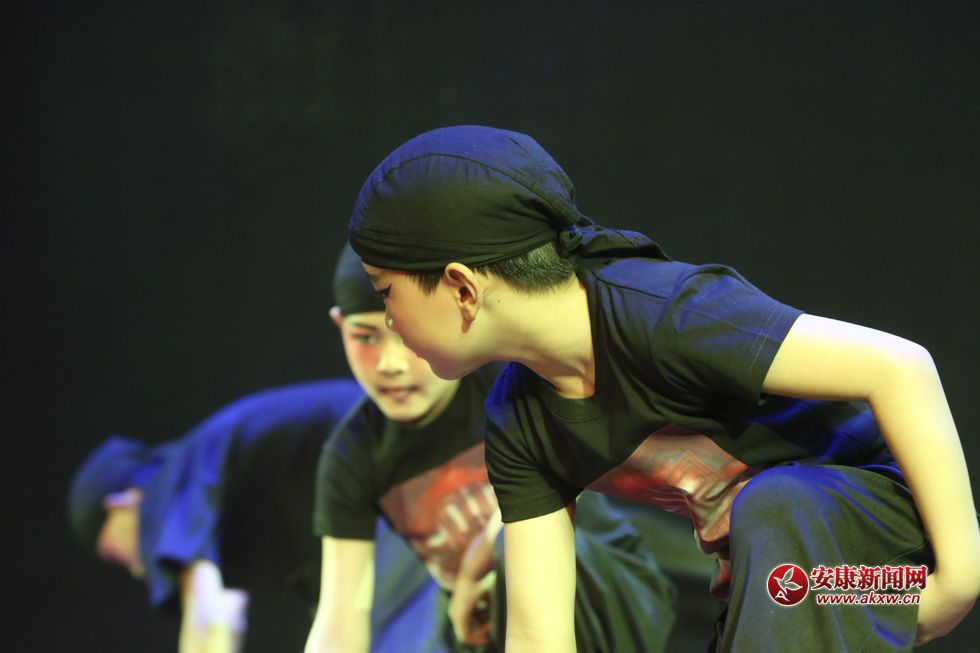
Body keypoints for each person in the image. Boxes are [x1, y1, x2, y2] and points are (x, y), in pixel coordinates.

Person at [343, 125, 980, 652]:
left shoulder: (663, 314)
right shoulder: (519, 420)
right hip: (782, 591)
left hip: (881, 564)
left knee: (778, 504)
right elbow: (538, 636)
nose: (390, 321)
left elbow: (899, 365)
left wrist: (958, 582)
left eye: (385, 292)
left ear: (462, 288)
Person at [304, 244, 676, 653]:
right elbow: (340, 619)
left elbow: (566, 477)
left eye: (406, 335)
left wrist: (474, 565)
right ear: (339, 326)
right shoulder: (353, 453)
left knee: (514, 552)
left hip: (606, 596)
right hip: (492, 627)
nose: (390, 363)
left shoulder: (509, 379)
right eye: (365, 337)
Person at [67, 380, 446, 653]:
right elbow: (226, 609)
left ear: (121, 502)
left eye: (118, 555)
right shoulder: (204, 476)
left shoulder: (171, 486)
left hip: (394, 480)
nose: (136, 569)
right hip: (421, 472)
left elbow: (210, 622)